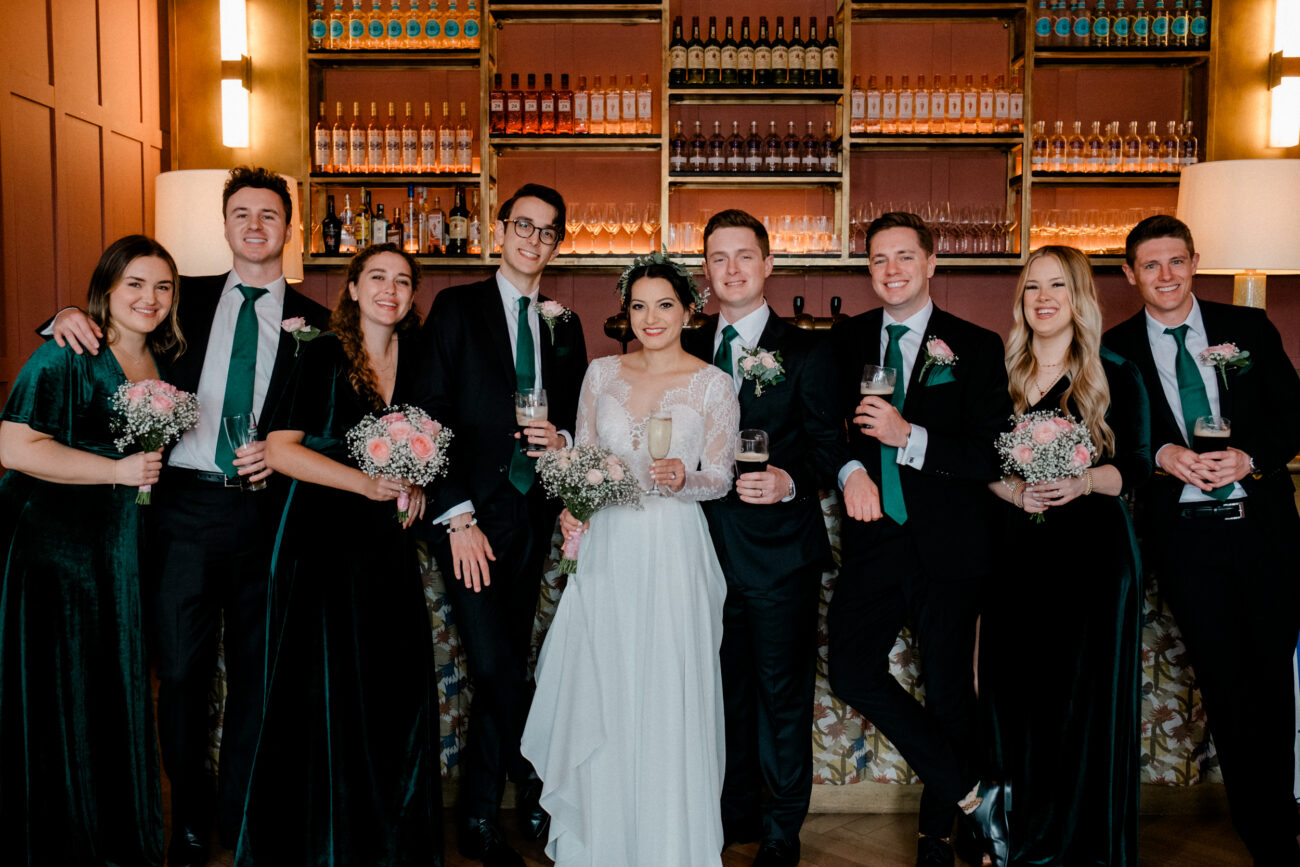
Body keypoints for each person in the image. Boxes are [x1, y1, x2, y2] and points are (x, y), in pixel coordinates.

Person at [48, 166, 330, 865]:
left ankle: (241, 817)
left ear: (290, 227)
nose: (256, 225)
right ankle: (192, 821)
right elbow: (115, 323)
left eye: (270, 214)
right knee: (179, 676)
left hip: (267, 516)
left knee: (258, 678)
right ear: (225, 224)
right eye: (242, 213)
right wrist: (63, 317)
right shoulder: (183, 298)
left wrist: (290, 453)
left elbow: (333, 420)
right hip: (184, 511)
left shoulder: (317, 323)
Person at [521, 255, 740, 866]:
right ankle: (603, 843)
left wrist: (687, 478)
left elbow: (721, 477)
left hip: (674, 547)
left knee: (669, 686)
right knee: (605, 683)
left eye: (664, 305)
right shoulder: (601, 374)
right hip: (609, 548)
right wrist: (574, 508)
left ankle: (670, 846)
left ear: (689, 311)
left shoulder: (713, 383)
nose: (651, 318)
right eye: (639, 306)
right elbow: (585, 460)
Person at [235, 244, 442, 865]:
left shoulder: (420, 356)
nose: (389, 290)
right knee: (326, 688)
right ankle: (325, 841)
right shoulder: (322, 352)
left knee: (390, 686)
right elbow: (280, 450)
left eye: (402, 281)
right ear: (352, 289)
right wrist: (365, 484)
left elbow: (423, 446)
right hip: (320, 538)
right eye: (376, 277)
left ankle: (386, 837)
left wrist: (416, 485)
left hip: (386, 544)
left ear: (412, 296)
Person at [1104, 215, 1300, 866]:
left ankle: (1281, 818)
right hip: (1186, 541)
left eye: (1176, 261)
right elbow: (1108, 437)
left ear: (1194, 261)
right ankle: (1265, 832)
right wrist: (1161, 453)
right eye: (1150, 265)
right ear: (1130, 274)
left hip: (1262, 531)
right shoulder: (1113, 349)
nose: (1166, 275)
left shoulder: (1248, 328)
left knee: (1273, 682)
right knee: (1225, 685)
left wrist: (1251, 457)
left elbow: (1293, 414)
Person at [827, 212, 1012, 867]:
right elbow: (820, 427)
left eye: (905, 256)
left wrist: (911, 437)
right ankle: (974, 793)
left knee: (950, 692)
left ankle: (938, 838)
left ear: (931, 263)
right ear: (868, 268)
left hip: (951, 544)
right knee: (850, 670)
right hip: (874, 538)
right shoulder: (845, 341)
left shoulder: (977, 345)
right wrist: (849, 471)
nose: (893, 269)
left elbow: (991, 453)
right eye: (879, 258)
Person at [0, 234, 184, 865]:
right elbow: (14, 448)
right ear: (106, 288)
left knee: (109, 692)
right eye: (134, 283)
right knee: (64, 695)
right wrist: (117, 471)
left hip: (117, 555)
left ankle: (113, 835)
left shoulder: (164, 359)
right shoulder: (67, 351)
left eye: (163, 287)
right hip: (55, 554)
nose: (149, 298)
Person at [418, 183, 588, 866]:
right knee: (492, 666)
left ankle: (490, 808)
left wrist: (563, 439)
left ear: (556, 244)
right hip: (470, 518)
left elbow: (579, 417)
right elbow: (429, 414)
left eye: (547, 231)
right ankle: (520, 790)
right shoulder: (455, 307)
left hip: (531, 513)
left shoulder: (565, 324)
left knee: (508, 662)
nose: (533, 239)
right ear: (500, 228)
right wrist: (457, 515)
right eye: (523, 224)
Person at [681, 210, 843, 867]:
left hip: (779, 557)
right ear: (706, 271)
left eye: (744, 255)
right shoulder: (683, 347)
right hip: (698, 554)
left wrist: (787, 480)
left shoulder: (807, 351)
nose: (732, 269)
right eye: (718, 258)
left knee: (781, 697)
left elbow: (829, 452)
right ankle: (730, 816)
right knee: (718, 693)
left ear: (768, 264)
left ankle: (780, 831)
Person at [981, 246, 1151, 866]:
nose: (1043, 298)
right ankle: (1023, 838)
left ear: (1079, 297)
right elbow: (977, 463)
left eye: (1057, 286)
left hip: (1093, 560)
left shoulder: (1115, 373)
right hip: (1017, 553)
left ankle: (1085, 846)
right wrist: (1015, 491)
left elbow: (1136, 467)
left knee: (1083, 702)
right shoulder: (998, 374)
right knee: (1018, 694)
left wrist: (1082, 482)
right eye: (1032, 287)